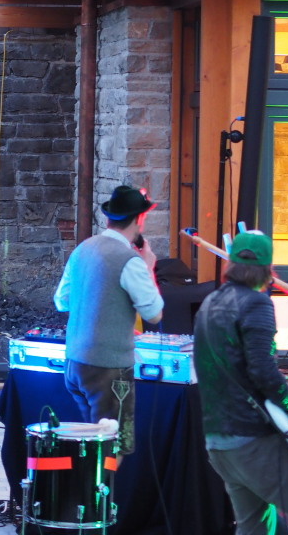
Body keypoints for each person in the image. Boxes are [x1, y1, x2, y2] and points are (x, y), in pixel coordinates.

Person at [193, 230, 288, 535]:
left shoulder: (210, 303)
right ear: (268, 268)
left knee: (255, 527)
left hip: (218, 441)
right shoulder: (256, 304)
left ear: (230, 264)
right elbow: (262, 371)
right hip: (253, 440)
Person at [53, 184, 164, 457]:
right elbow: (154, 313)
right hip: (108, 369)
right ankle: (103, 487)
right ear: (139, 219)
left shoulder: (83, 249)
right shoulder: (130, 260)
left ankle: (89, 487)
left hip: (75, 363)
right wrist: (149, 268)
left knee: (90, 449)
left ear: (108, 219)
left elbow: (62, 301)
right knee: (111, 452)